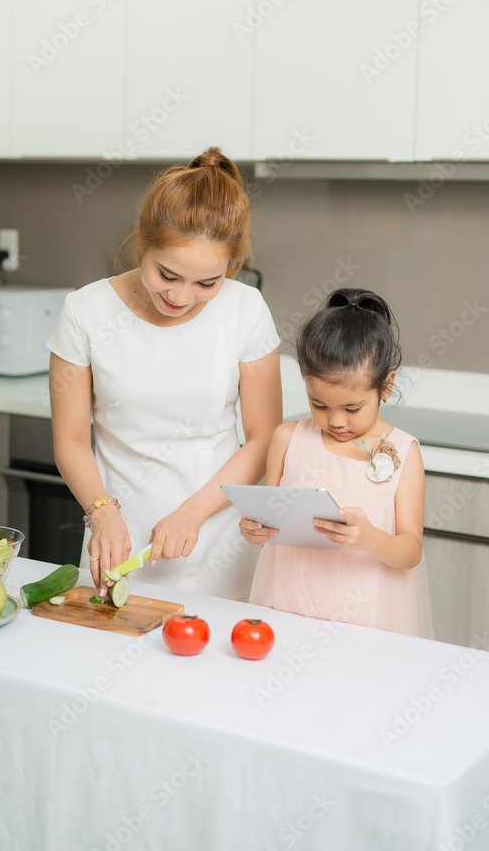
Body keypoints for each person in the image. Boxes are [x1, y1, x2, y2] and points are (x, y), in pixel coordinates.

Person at [46, 147, 282, 600]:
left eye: (206, 284)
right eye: (167, 274)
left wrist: (192, 513)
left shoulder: (245, 310)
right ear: (142, 243)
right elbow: (71, 439)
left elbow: (262, 438)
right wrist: (103, 515)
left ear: (229, 269)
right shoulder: (86, 311)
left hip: (216, 535)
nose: (181, 296)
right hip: (116, 537)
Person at [241, 288, 433, 637]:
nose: (336, 421)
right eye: (319, 404)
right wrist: (255, 529)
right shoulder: (287, 438)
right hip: (287, 606)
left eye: (352, 408)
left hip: (364, 620)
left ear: (385, 387)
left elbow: (410, 552)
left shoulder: (404, 452)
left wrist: (371, 539)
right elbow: (268, 519)